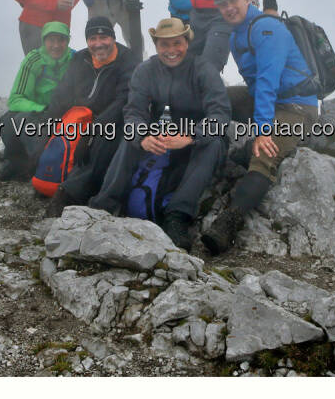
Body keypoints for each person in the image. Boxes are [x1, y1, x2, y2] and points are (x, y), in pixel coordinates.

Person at [87, 18, 230, 248]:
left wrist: (191, 136)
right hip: (162, 134)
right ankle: (104, 204)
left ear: (187, 43)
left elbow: (221, 115)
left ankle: (178, 216)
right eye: (164, 45)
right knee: (129, 137)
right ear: (156, 46)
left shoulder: (204, 70)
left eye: (177, 43)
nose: (171, 50)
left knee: (213, 143)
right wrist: (142, 136)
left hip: (196, 136)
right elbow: (134, 112)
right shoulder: (146, 70)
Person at [201, 0, 320, 255]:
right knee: (216, 97)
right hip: (268, 100)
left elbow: (268, 81)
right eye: (223, 5)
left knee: (263, 153)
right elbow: (257, 87)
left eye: (233, 1)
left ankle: (227, 224)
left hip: (295, 107)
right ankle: (204, 147)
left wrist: (263, 131)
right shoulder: (236, 34)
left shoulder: (266, 28)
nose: (229, 8)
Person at [44, 16, 139, 217]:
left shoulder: (127, 61)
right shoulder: (81, 59)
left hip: (111, 120)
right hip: (80, 117)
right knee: (40, 129)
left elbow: (123, 101)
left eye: (103, 37)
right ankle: (37, 172)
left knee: (104, 141)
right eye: (92, 38)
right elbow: (63, 93)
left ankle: (67, 194)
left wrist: (92, 131)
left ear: (112, 38)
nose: (98, 44)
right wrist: (51, 123)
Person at [0, 22, 74, 182]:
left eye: (61, 40)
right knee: (9, 121)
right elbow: (15, 99)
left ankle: (46, 169)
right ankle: (18, 163)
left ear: (68, 41)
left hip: (66, 115)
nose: (56, 45)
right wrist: (41, 109)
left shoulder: (76, 60)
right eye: (51, 40)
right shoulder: (33, 61)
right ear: (43, 41)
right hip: (38, 112)